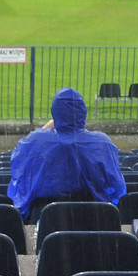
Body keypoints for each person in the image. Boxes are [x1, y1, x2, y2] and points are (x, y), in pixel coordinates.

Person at [7, 87, 126, 220]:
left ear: (55, 111)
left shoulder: (34, 142)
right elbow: (116, 189)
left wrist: (45, 129)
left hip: (44, 220)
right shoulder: (102, 143)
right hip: (93, 220)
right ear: (82, 112)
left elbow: (20, 179)